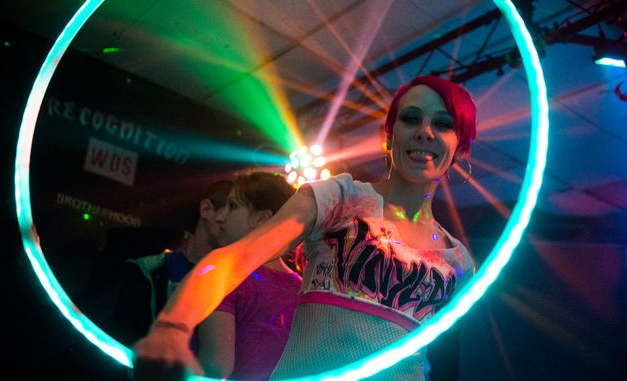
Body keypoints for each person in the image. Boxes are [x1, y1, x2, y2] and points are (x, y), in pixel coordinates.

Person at [133, 75, 478, 381]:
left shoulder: (458, 262)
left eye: (443, 124)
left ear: (461, 147)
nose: (425, 131)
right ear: (389, 135)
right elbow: (234, 260)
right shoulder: (341, 198)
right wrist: (172, 327)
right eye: (411, 118)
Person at [196, 171, 302, 380]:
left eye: (233, 206)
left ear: (263, 219)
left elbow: (216, 368)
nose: (220, 217)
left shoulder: (225, 274)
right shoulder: (305, 287)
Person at [128, 179, 234, 320]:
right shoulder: (150, 269)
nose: (238, 223)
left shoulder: (235, 285)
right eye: (233, 210)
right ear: (206, 209)